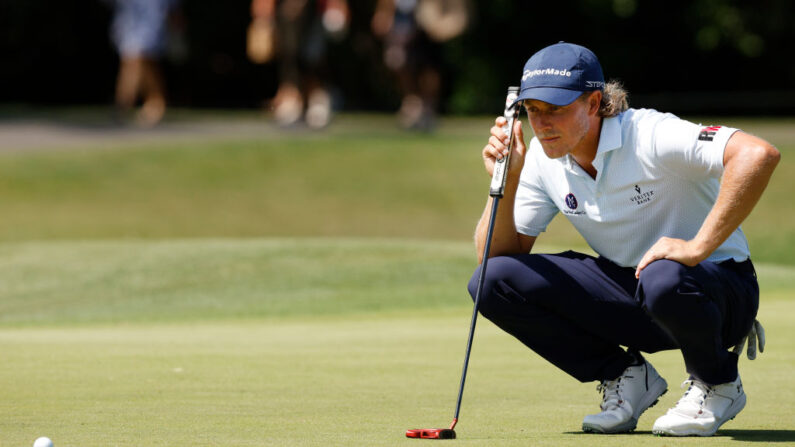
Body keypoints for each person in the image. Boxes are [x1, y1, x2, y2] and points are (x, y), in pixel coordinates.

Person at [473, 42, 779, 436]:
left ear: (594, 102)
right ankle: (627, 377)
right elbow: (493, 259)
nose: (543, 123)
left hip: (719, 292)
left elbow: (758, 154)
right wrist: (508, 177)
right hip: (640, 291)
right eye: (533, 111)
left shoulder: (649, 133)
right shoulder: (540, 158)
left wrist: (696, 247)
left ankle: (718, 381)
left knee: (664, 275)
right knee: (492, 280)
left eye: (557, 110)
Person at [249, 0, 349, 129]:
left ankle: (316, 99)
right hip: (285, 10)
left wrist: (336, 4)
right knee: (289, 53)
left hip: (315, 11)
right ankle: (291, 99)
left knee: (312, 56)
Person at [371, 0, 469, 130]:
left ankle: (428, 108)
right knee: (399, 63)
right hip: (404, 27)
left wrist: (442, 25)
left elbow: (459, 14)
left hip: (430, 29)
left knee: (430, 70)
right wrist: (383, 14)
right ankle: (412, 103)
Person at [109, 0, 180, 127]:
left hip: (152, 27)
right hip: (128, 26)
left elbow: (172, 9)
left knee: (137, 61)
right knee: (138, 64)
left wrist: (177, 33)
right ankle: (155, 102)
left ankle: (124, 103)